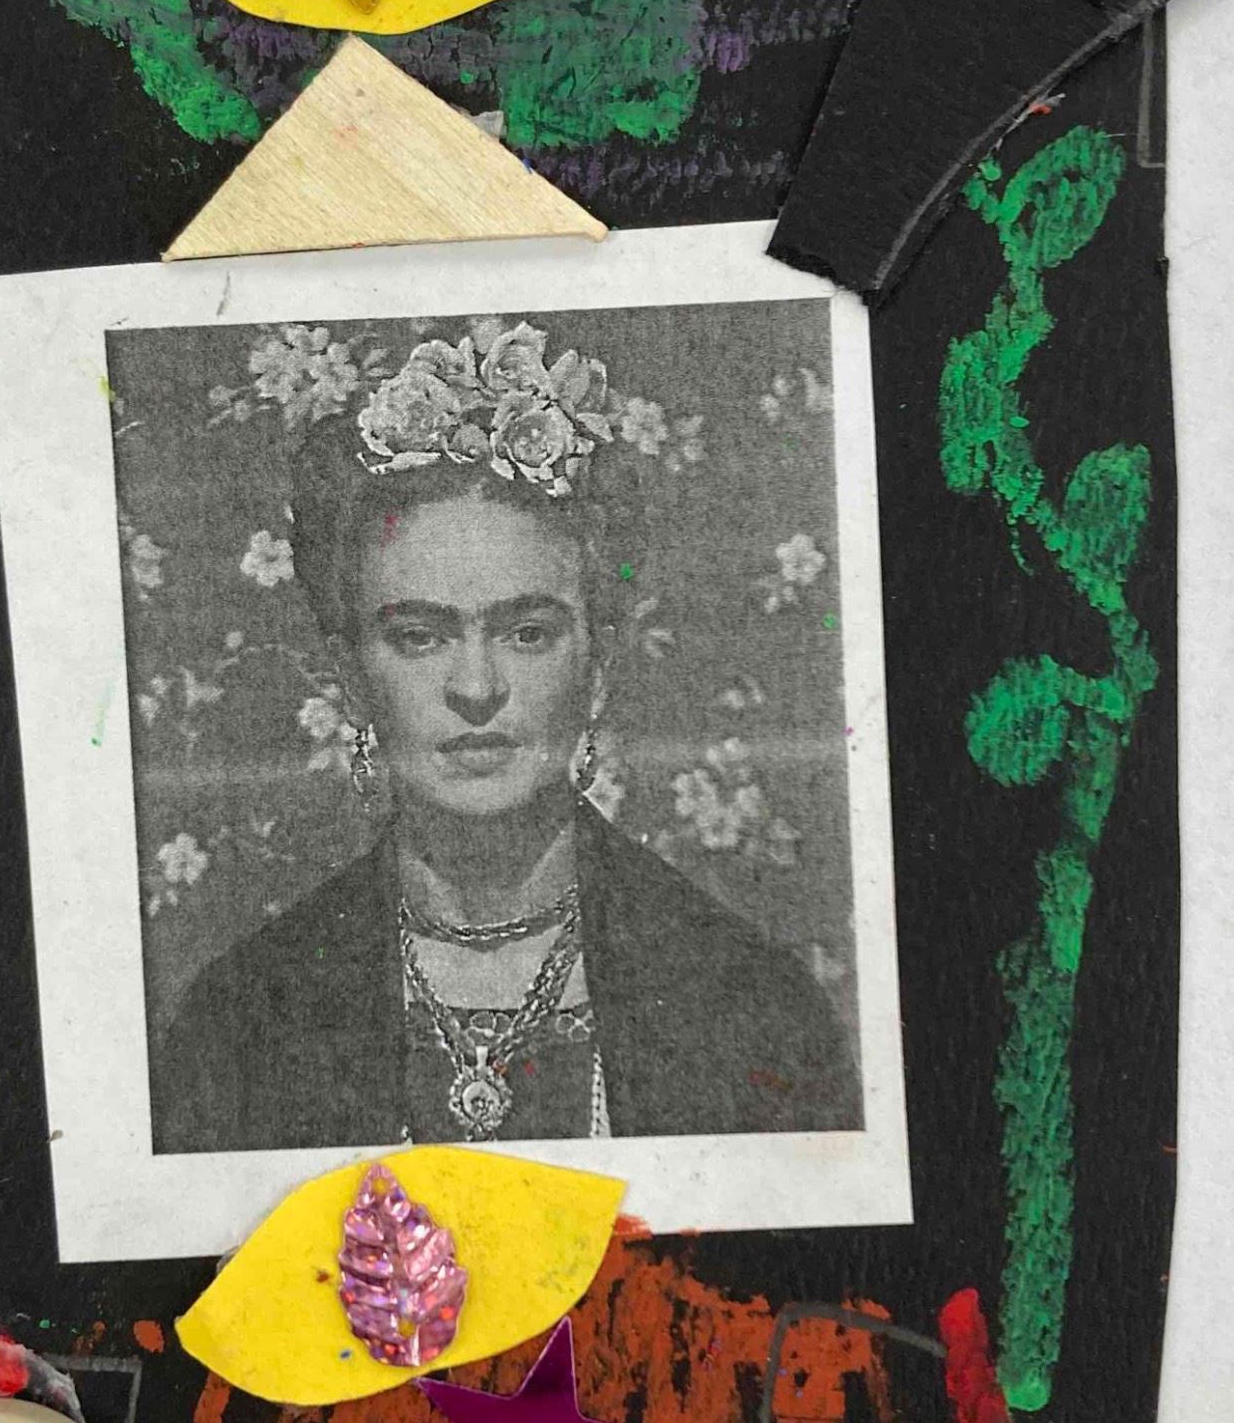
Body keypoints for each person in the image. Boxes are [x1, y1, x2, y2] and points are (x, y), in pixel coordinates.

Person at [149, 320, 860, 1151]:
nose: (477, 689)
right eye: (420, 636)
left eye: (527, 632)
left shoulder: (749, 1003)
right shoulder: (241, 1020)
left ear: (598, 668)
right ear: (352, 679)